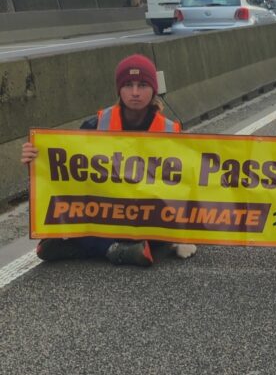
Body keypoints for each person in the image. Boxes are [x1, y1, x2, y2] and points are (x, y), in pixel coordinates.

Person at [21, 54, 198, 267]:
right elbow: (69, 173)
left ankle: (96, 246)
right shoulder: (94, 125)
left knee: (159, 226)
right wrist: (37, 160)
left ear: (153, 89)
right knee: (80, 217)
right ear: (119, 90)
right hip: (106, 213)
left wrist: (182, 233)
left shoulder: (170, 130)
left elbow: (185, 184)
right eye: (128, 85)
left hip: (147, 214)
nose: (134, 92)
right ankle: (118, 249)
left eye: (142, 85)